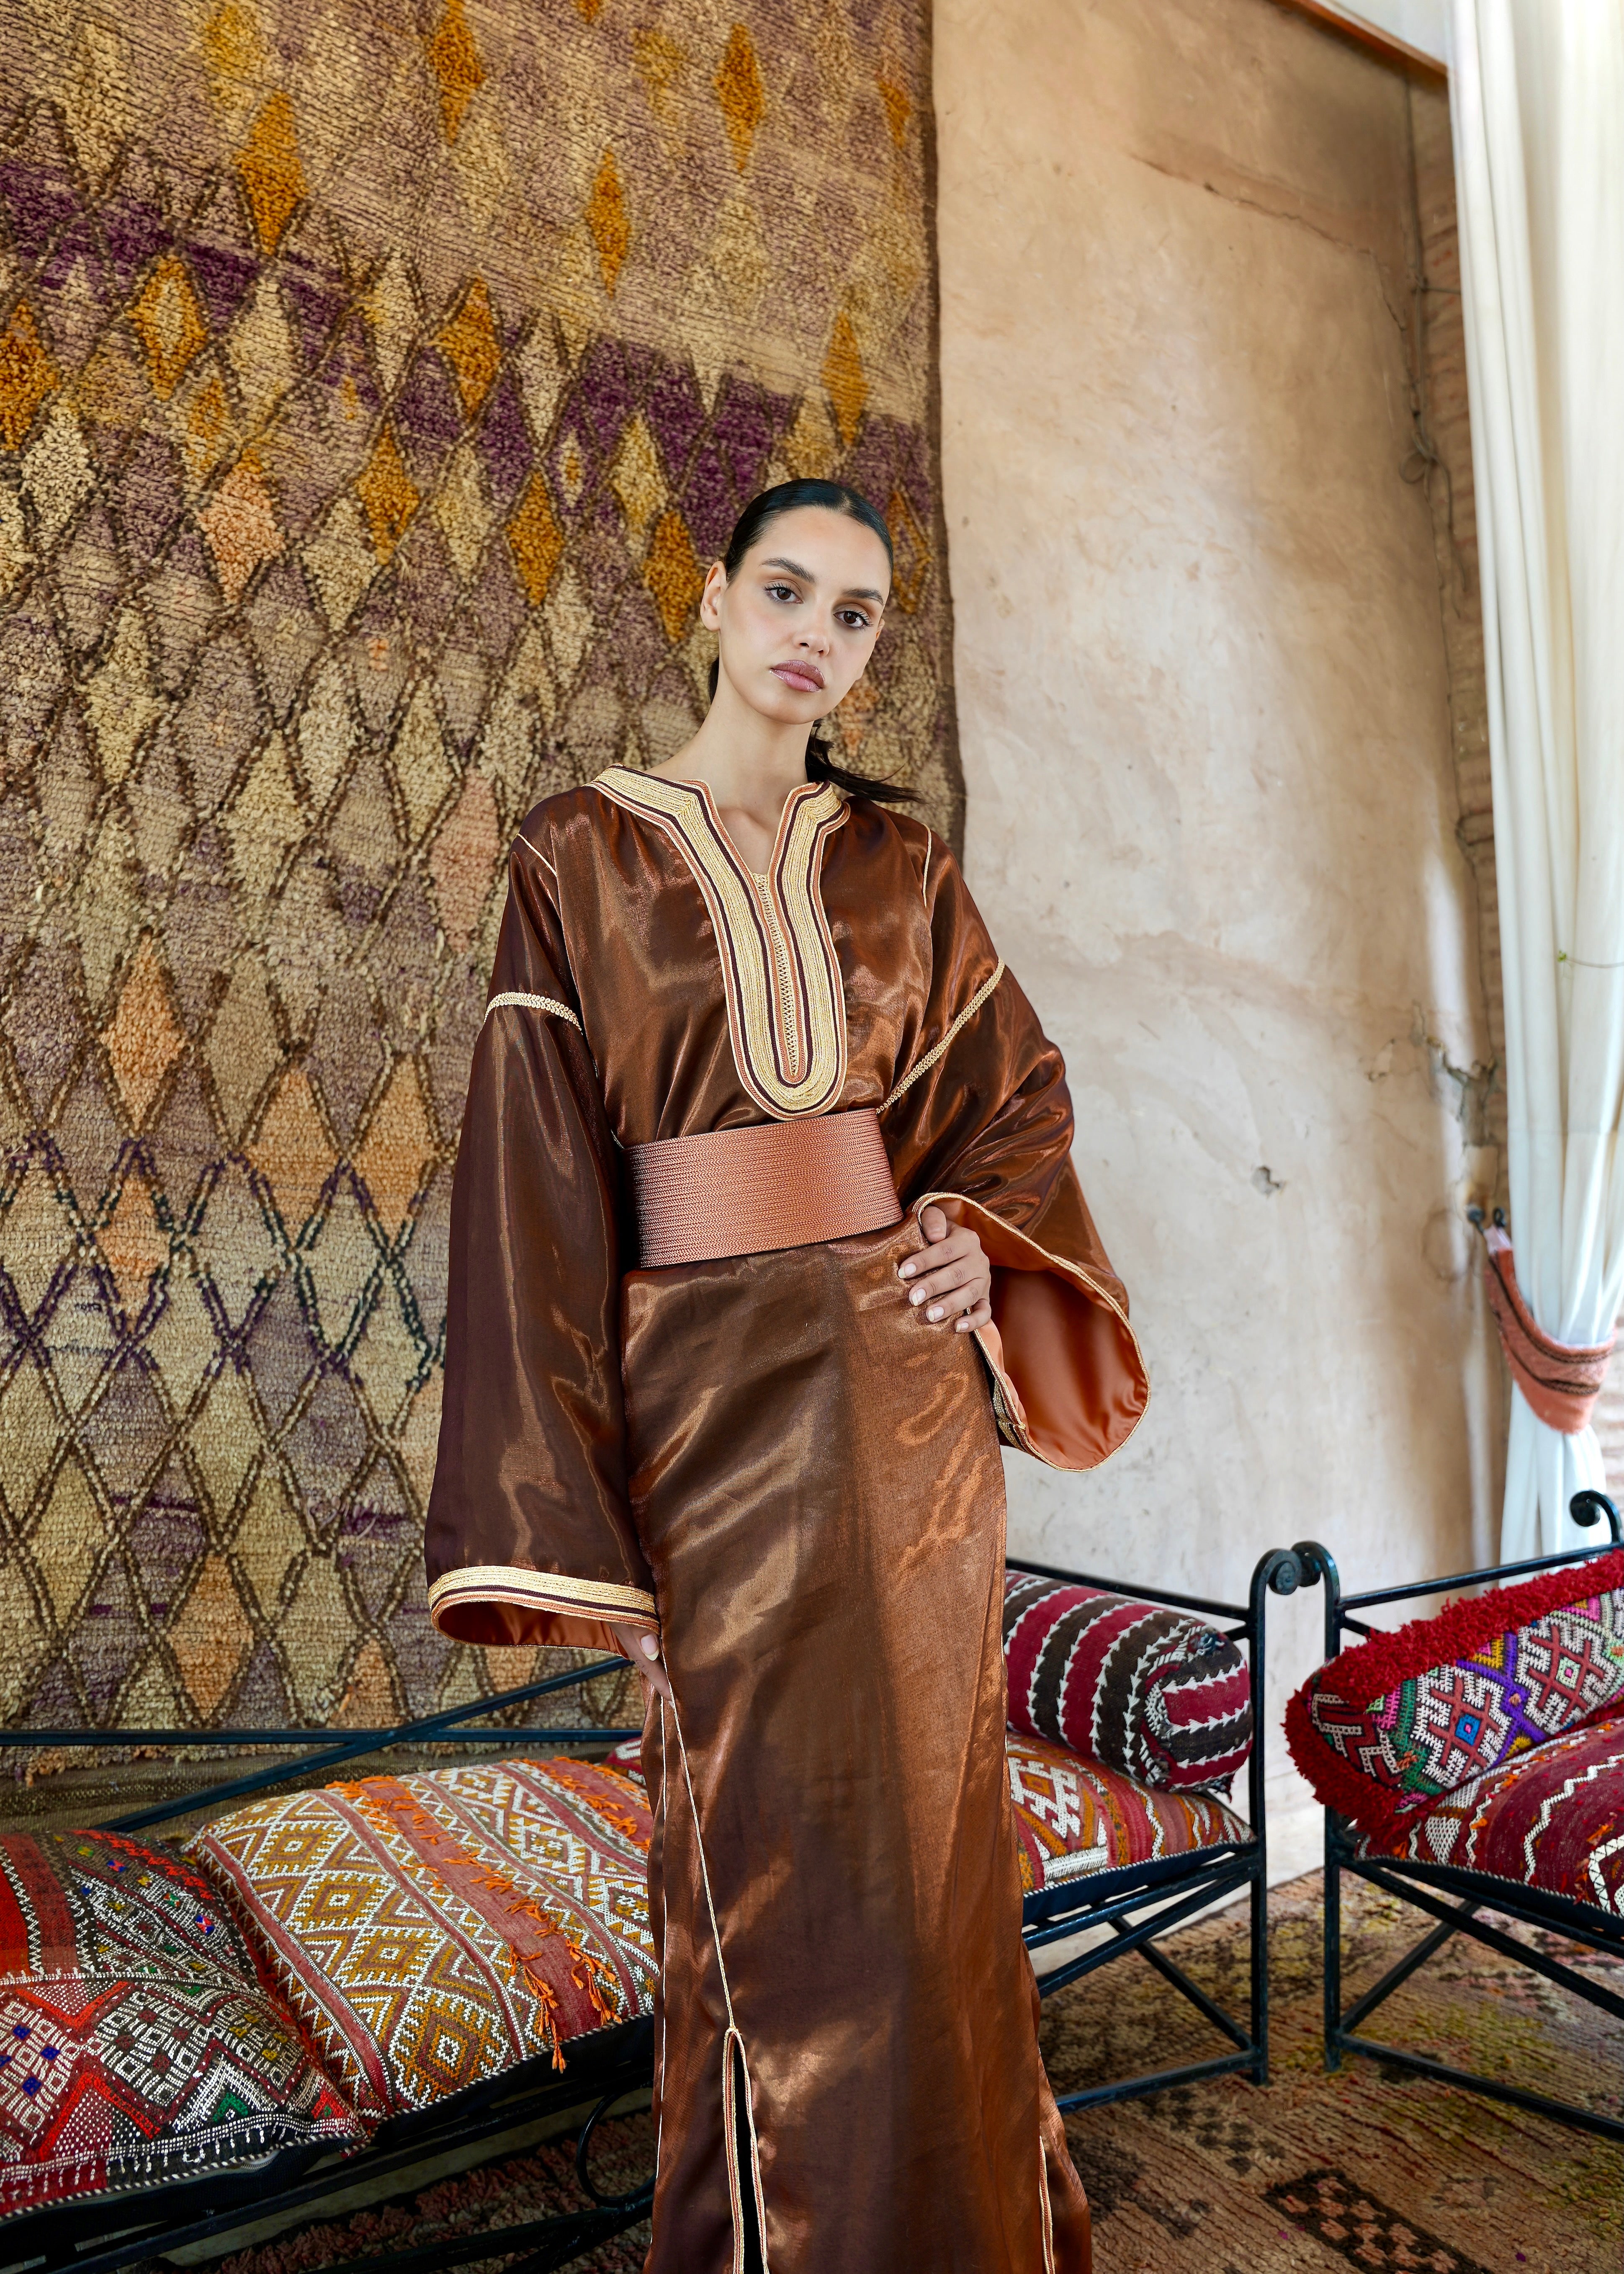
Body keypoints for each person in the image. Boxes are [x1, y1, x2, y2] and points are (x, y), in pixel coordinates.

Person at [425, 478, 1148, 2273]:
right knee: (773, 1884)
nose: (817, 636)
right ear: (715, 598)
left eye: (857, 613)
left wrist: (978, 1231)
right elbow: (535, 1184)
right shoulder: (575, 853)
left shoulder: (903, 866)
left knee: (934, 1873)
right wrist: (589, 1529)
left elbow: (1014, 1099)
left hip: (911, 1428)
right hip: (707, 1420)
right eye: (789, 591)